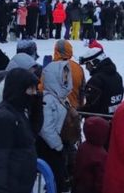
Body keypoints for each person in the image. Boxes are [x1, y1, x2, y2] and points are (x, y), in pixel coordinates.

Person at [0, 68, 42, 193]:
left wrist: (37, 106)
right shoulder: (5, 117)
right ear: (19, 89)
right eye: (31, 89)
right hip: (9, 187)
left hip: (20, 185)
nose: (34, 93)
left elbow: (32, 133)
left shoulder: (19, 112)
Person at [40, 60, 74, 192]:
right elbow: (46, 128)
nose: (66, 77)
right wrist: (58, 145)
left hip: (61, 144)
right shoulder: (48, 99)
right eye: (63, 74)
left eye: (67, 74)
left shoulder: (62, 97)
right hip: (50, 147)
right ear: (54, 76)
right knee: (58, 179)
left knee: (63, 177)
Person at [80, 47, 124, 115]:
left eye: (87, 64)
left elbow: (91, 108)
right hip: (115, 117)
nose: (86, 68)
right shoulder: (117, 76)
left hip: (98, 120)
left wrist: (78, 110)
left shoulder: (96, 81)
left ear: (94, 62)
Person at [73, 116, 109, 193]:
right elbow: (101, 178)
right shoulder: (101, 154)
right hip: (92, 189)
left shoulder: (83, 147)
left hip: (79, 187)